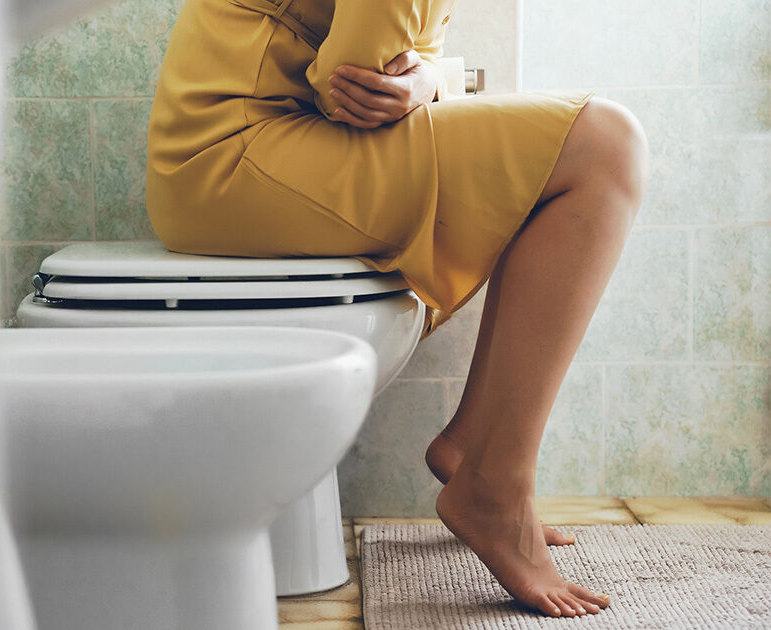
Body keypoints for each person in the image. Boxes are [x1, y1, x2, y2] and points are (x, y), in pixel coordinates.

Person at [145, 0, 649, 617]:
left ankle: (476, 453)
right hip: (236, 158)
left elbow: (399, 62)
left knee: (572, 148)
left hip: (223, 151)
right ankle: (494, 486)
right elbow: (354, 90)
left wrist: (426, 80)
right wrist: (414, 80)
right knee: (605, 147)